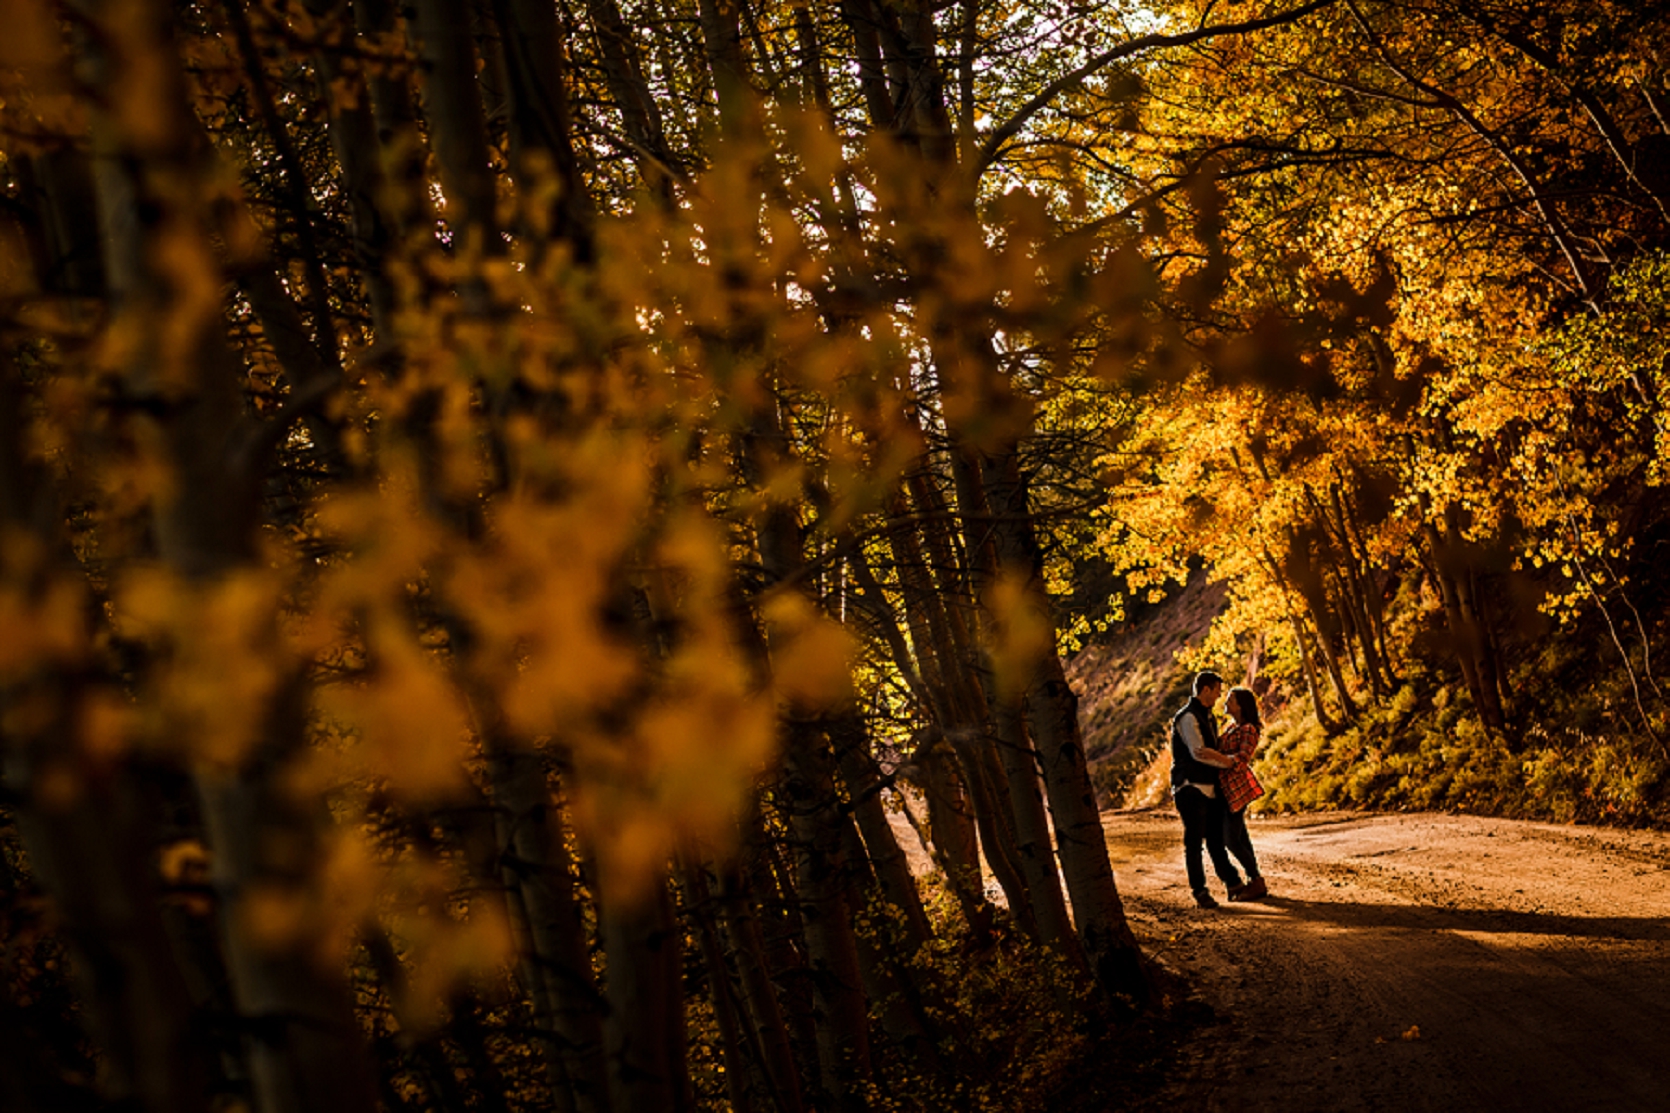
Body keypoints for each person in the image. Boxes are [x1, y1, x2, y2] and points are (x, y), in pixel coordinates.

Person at [1169, 670, 1244, 908]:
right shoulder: (1188, 717)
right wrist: (1228, 761)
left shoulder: (1207, 717)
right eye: (1217, 692)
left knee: (1214, 838)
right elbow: (1198, 752)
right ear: (1205, 690)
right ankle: (1200, 891)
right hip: (1189, 786)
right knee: (1194, 842)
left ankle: (1233, 884)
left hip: (1209, 787)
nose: (1219, 697)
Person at [1218, 686, 1268, 901]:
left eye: (1230, 700)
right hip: (1226, 789)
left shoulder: (1248, 729)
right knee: (1240, 836)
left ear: (1240, 706)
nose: (1226, 703)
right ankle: (1254, 879)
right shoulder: (1231, 727)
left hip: (1238, 790)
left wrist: (1220, 759)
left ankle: (1256, 881)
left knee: (1230, 838)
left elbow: (1243, 758)